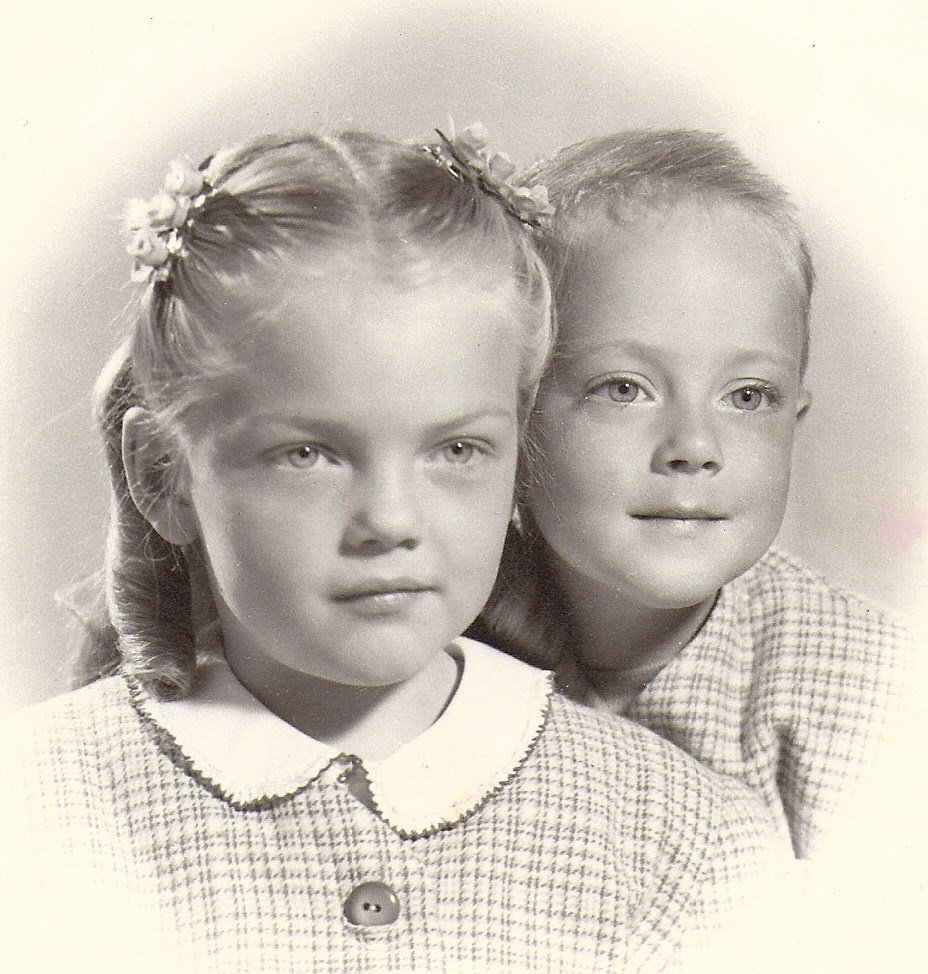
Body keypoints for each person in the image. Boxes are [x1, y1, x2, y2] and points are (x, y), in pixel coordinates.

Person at [0, 126, 781, 972]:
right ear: (165, 476)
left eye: (456, 451)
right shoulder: (39, 814)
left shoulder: (677, 838)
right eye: (309, 455)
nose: (391, 521)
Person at [477, 128, 911, 859]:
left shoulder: (868, 700)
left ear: (793, 424)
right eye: (625, 389)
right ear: (513, 413)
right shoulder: (444, 621)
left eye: (748, 397)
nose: (695, 448)